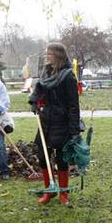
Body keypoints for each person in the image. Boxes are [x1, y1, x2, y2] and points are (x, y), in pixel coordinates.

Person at [28, 42, 81, 205]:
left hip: (62, 122)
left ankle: (63, 194)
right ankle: (49, 190)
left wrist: (74, 130)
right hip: (46, 120)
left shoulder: (68, 76)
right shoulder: (46, 73)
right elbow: (39, 89)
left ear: (58, 55)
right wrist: (33, 100)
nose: (46, 56)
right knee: (43, 156)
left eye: (49, 53)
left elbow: (74, 105)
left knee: (61, 158)